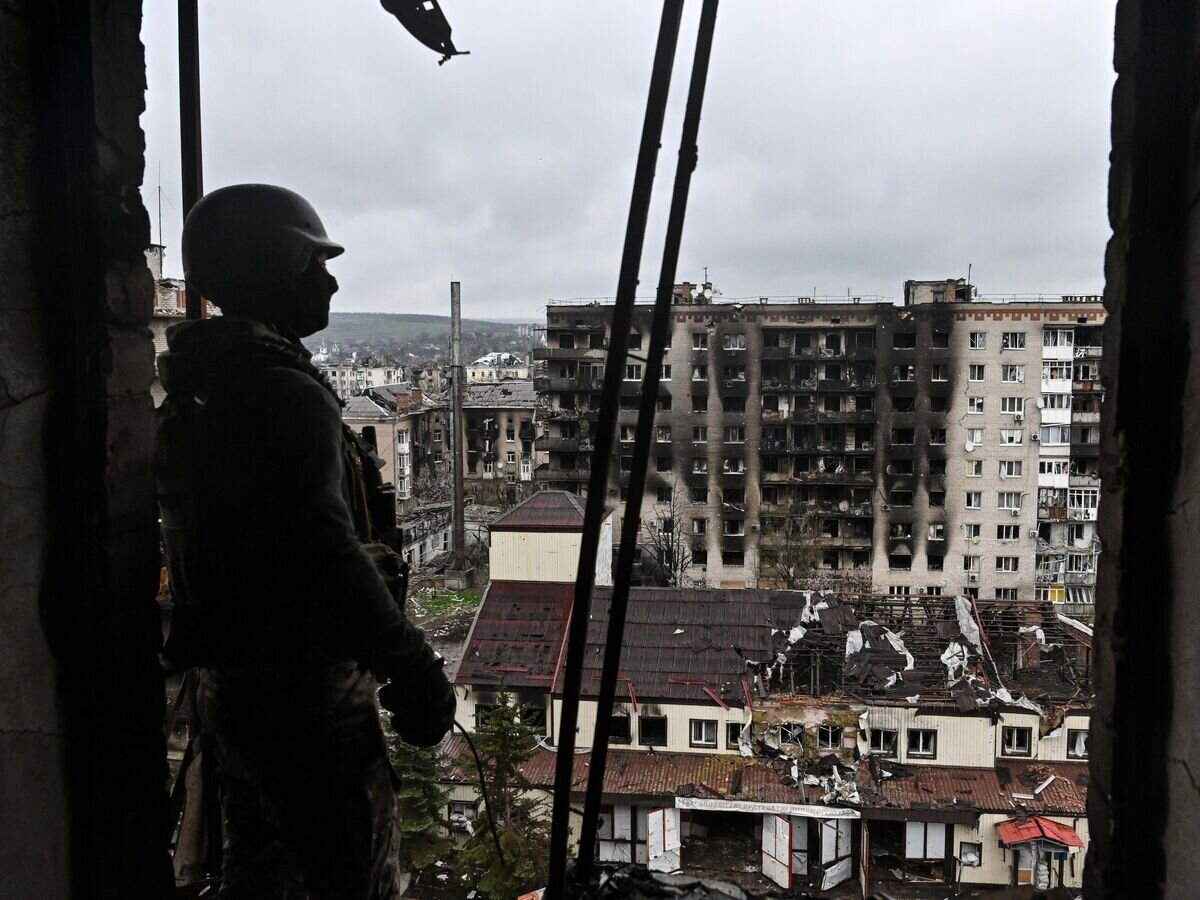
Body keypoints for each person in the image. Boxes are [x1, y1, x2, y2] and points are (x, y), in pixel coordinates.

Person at [156, 183, 455, 898]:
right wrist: (413, 667)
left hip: (240, 693)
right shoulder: (280, 394)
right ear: (276, 270)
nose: (331, 279)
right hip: (306, 699)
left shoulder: (209, 387)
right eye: (315, 263)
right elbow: (323, 551)